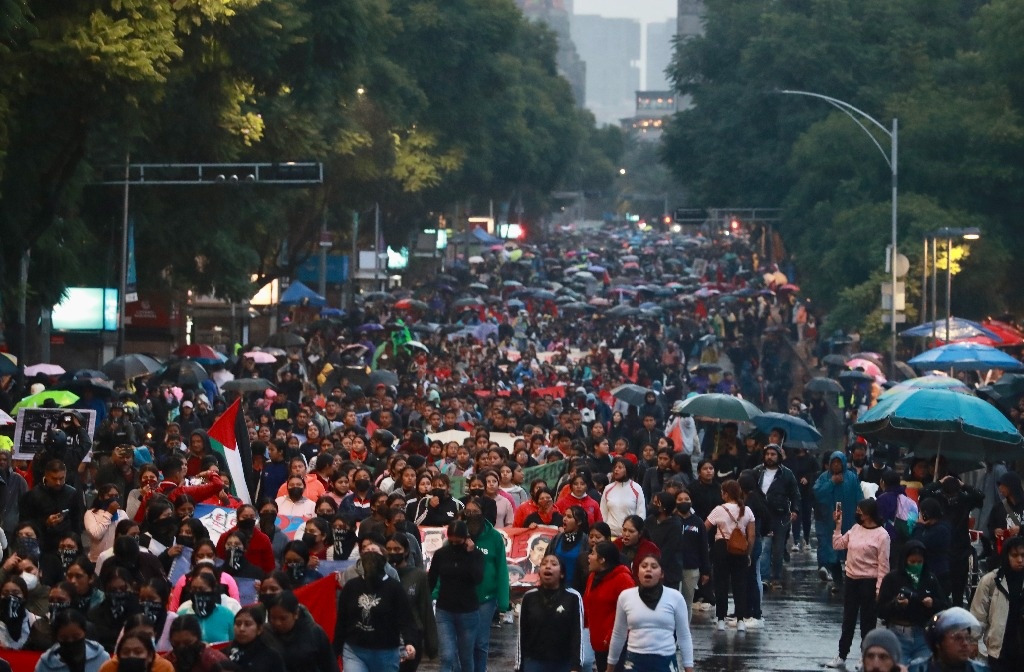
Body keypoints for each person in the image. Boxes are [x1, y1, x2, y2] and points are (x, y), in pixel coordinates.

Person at [826, 498, 891, 669]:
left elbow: (884, 565)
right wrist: (838, 526)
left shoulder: (882, 535)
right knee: (848, 620)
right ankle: (841, 654)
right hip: (852, 580)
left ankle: (865, 656)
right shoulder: (855, 529)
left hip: (869, 582)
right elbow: (838, 544)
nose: (857, 513)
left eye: (860, 511)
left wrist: (879, 589)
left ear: (868, 514)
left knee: (867, 623)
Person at [606, 554, 694, 672]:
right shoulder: (626, 597)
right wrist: (610, 667)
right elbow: (618, 634)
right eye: (644, 566)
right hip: (634, 661)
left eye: (654, 566)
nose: (648, 569)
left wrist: (689, 667)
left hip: (665, 661)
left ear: (661, 573)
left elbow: (684, 635)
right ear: (638, 572)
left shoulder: (675, 597)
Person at [334, 549, 416, 672]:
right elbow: (342, 620)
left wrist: (409, 642)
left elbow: (405, 618)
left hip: (386, 652)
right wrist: (335, 650)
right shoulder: (351, 586)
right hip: (354, 650)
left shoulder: (394, 588)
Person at [877, 540, 949, 665]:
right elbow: (880, 610)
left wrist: (933, 603)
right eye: (912, 562)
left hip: (923, 635)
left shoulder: (930, 579)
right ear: (905, 560)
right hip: (898, 634)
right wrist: (896, 604)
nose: (916, 565)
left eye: (919, 562)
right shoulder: (892, 579)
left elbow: (945, 606)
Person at [428, 520, 483, 672]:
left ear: (466, 538)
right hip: (444, 610)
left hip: (468, 611)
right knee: (446, 655)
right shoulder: (441, 554)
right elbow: (432, 578)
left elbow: (477, 578)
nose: (454, 544)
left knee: (466, 656)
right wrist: (426, 599)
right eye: (451, 541)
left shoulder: (476, 555)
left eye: (457, 541)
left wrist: (471, 554)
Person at [462, 499, 510, 672]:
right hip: (462, 596)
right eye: (468, 511)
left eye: (475, 511)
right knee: (464, 641)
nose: (471, 515)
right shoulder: (459, 533)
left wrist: (504, 601)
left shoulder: (495, 537)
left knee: (480, 642)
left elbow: (502, 569)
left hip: (486, 598)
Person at [516, 555, 584, 672]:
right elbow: (522, 634)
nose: (548, 566)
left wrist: (576, 666)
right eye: (544, 563)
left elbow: (577, 634)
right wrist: (519, 667)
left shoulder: (573, 597)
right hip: (534, 662)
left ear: (562, 573)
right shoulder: (529, 597)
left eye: (553, 564)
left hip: (563, 663)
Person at [705, 479, 755, 631]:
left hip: (721, 547)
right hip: (740, 549)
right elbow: (751, 536)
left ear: (726, 494)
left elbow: (705, 527)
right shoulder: (747, 510)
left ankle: (721, 619)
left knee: (721, 584)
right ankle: (740, 620)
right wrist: (748, 553)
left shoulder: (719, 509)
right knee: (740, 584)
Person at [969, 535, 1024, 671]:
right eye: (1014, 555)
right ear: (1006, 556)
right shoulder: (991, 581)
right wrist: (972, 641)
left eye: (1023, 555)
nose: (1020, 560)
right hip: (999, 651)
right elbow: (978, 616)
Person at [384, 533, 437, 672]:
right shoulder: (381, 574)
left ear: (406, 551)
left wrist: (431, 643)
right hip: (387, 634)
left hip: (413, 635)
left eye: (397, 549)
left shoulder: (418, 576)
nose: (392, 553)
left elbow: (425, 608)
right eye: (388, 549)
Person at [752, 443, 801, 590]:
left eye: (773, 454)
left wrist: (795, 510)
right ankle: (765, 577)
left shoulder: (786, 474)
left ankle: (777, 577)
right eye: (767, 454)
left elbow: (795, 494)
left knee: (778, 548)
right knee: (764, 546)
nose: (769, 457)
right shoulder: (757, 471)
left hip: (780, 515)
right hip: (762, 514)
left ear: (779, 456)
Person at [814, 451, 865, 590]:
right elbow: (817, 494)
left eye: (838, 462)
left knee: (851, 552)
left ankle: (851, 581)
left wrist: (861, 515)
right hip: (829, 522)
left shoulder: (852, 478)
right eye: (833, 463)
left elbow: (859, 497)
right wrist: (831, 483)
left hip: (849, 521)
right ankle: (838, 581)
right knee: (831, 552)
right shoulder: (824, 478)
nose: (836, 465)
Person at [582, 541, 635, 672]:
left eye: (592, 553)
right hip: (597, 642)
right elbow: (587, 604)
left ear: (602, 560)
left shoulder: (623, 579)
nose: (588, 556)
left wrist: (610, 637)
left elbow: (630, 613)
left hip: (617, 645)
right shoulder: (593, 576)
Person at [261, 590, 338, 672]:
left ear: (296, 614)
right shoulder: (264, 633)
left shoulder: (314, 632)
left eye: (283, 618)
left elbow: (329, 665)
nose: (277, 623)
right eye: (273, 618)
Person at [906, 607, 986, 672]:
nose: (965, 643)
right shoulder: (917, 669)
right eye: (957, 638)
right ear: (938, 642)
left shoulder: (980, 670)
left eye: (968, 638)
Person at [35, 609, 109, 672]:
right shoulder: (45, 664)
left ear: (84, 632)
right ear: (56, 637)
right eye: (64, 638)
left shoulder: (102, 658)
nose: (70, 641)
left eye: (76, 637)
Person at [221, 605, 286, 672]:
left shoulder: (271, 657)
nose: (241, 629)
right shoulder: (224, 654)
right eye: (238, 624)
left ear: (259, 629)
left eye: (247, 624)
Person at [175, 571, 234, 644]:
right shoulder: (183, 613)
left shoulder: (227, 614)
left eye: (201, 589)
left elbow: (233, 642)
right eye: (194, 589)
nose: (197, 593)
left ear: (213, 590)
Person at [544, 505, 591, 592]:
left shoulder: (586, 542)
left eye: (569, 517)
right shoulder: (557, 539)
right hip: (555, 589)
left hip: (576, 591)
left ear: (579, 522)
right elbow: (546, 560)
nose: (564, 519)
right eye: (564, 515)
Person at [162, 614, 228, 672]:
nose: (181, 648)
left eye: (187, 643)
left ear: (198, 639)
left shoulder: (214, 660)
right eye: (176, 643)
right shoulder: (165, 663)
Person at [599, 458, 645, 536]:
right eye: (615, 467)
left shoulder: (637, 488)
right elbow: (603, 513)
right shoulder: (608, 488)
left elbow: (641, 513)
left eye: (620, 467)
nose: (616, 470)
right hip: (611, 535)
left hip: (629, 536)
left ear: (627, 470)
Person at [98, 627, 175, 672]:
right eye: (126, 652)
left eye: (138, 652)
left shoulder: (165, 668)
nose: (131, 655)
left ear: (150, 656)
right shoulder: (108, 668)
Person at [614, 515, 660, 580]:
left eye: (631, 531)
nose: (626, 534)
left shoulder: (650, 549)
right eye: (624, 530)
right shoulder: (617, 544)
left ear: (640, 533)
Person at [0, 575, 37, 649]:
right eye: (5, 593)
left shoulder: (36, 622)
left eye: (16, 593)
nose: (10, 597)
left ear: (25, 596)